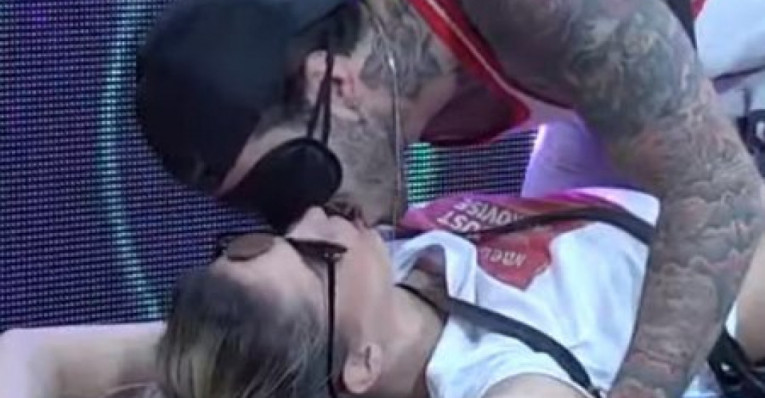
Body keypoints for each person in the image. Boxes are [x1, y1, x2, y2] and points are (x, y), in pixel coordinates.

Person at [134, 0, 765, 396]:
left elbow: (719, 187)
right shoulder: (361, 70)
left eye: (290, 177)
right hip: (665, 84)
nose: (305, 216)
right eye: (266, 210)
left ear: (332, 81)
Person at [2, 187, 765, 398]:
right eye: (315, 255)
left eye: (257, 239)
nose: (315, 216)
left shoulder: (243, 353)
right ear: (360, 364)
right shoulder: (500, 380)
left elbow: (26, 356)